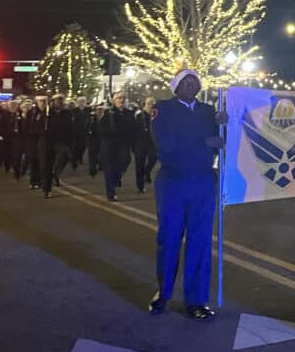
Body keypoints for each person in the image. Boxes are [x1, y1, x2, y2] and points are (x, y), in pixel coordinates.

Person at [148, 69, 226, 321]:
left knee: (200, 242)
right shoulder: (163, 109)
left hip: (203, 182)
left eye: (196, 82)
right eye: (186, 81)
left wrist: (226, 123)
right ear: (176, 86)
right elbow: (166, 142)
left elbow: (223, 140)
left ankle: (196, 300)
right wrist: (205, 141)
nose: (192, 85)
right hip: (174, 182)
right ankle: (163, 293)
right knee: (169, 238)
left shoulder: (207, 112)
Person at [97, 92, 136, 201]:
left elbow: (133, 128)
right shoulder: (108, 113)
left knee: (124, 161)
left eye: (123, 98)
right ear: (114, 101)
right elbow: (101, 129)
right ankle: (111, 193)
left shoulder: (129, 113)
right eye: (119, 98)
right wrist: (112, 132)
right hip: (110, 145)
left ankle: (117, 177)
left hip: (123, 144)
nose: (121, 100)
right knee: (109, 169)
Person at [43, 94, 75, 198]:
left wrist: (70, 140)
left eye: (61, 100)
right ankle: (47, 189)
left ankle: (56, 173)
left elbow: (71, 127)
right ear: (53, 101)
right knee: (47, 164)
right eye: (57, 100)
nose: (59, 102)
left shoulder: (67, 113)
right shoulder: (47, 113)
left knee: (65, 156)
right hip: (49, 141)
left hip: (62, 141)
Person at [133, 96, 158, 193]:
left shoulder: (157, 116)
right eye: (149, 103)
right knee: (140, 164)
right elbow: (134, 129)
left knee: (153, 159)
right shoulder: (140, 115)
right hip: (141, 142)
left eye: (153, 103)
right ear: (145, 105)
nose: (151, 105)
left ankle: (147, 172)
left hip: (153, 143)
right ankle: (140, 185)